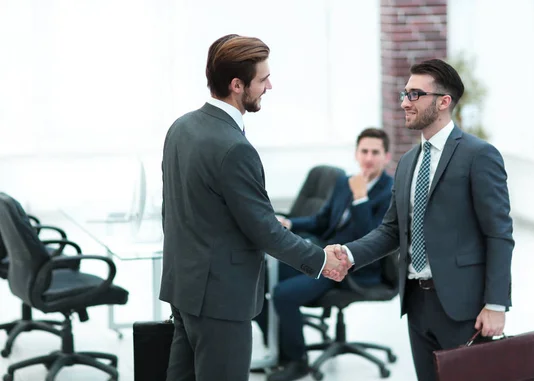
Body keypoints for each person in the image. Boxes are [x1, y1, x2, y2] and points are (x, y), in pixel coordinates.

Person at [159, 34, 349, 381]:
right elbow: (264, 230)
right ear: (236, 85)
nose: (269, 86)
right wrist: (321, 260)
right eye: (263, 79)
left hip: (183, 287)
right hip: (220, 297)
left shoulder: (181, 127)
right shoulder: (234, 148)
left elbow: (179, 208)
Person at [326, 58, 514, 381]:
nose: (404, 103)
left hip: (464, 307)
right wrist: (349, 254)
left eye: (414, 95)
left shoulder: (479, 156)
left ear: (443, 102)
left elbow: (499, 233)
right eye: (405, 93)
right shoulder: (408, 162)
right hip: (416, 303)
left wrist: (496, 304)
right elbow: (392, 230)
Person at [256, 128, 393, 381]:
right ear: (356, 153)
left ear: (386, 157)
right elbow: (322, 221)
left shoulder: (389, 191)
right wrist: (291, 223)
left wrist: (361, 197)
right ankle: (279, 352)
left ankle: (298, 362)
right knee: (259, 278)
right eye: (364, 151)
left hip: (353, 267)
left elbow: (373, 239)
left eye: (375, 152)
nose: (369, 158)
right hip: (324, 256)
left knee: (283, 294)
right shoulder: (344, 182)